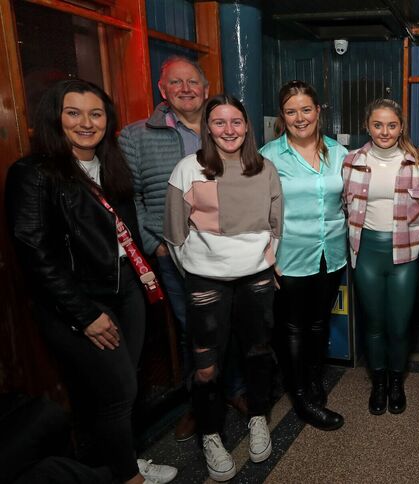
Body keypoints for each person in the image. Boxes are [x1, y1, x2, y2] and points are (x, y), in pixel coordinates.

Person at [5, 79, 177, 484]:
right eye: (74, 113)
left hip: (125, 289)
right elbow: (33, 253)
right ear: (55, 118)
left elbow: (125, 228)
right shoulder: (34, 173)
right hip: (79, 302)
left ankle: (121, 463)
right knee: (117, 392)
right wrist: (84, 314)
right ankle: (128, 476)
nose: (87, 122)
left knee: (123, 386)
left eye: (96, 113)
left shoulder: (112, 165)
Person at [119, 56, 249, 441]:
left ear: (206, 89)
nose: (186, 89)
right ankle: (201, 403)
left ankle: (237, 390)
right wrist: (154, 243)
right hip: (176, 255)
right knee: (195, 330)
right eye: (176, 83)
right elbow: (131, 198)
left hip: (229, 251)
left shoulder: (225, 128)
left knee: (235, 323)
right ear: (163, 90)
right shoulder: (136, 136)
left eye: (193, 82)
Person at [164, 94, 283, 481]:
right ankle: (210, 433)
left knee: (259, 352)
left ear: (247, 127)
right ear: (208, 128)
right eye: (219, 122)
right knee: (206, 365)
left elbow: (275, 223)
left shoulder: (264, 168)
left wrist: (262, 261)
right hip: (205, 281)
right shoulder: (188, 169)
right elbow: (175, 234)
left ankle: (259, 417)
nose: (228, 130)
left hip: (257, 278)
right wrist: (203, 267)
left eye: (236, 122)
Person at [259, 80, 349, 430]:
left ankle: (313, 380)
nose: (300, 118)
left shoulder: (337, 152)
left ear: (318, 111)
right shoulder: (268, 155)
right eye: (291, 111)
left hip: (332, 253)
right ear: (282, 116)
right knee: (292, 328)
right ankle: (301, 399)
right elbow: (257, 210)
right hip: (290, 256)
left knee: (318, 323)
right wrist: (267, 258)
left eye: (306, 110)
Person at [342, 99, 419, 415]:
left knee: (400, 325)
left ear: (401, 126)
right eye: (378, 125)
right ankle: (378, 383)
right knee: (374, 323)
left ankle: (396, 382)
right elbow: (343, 205)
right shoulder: (352, 161)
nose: (385, 131)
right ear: (368, 126)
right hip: (367, 254)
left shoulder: (418, 162)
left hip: (404, 254)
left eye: (392, 125)